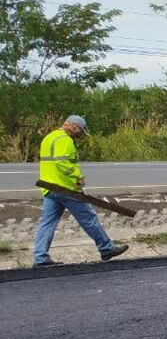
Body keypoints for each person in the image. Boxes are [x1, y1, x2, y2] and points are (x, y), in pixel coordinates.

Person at [33, 114, 129, 268]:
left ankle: (40, 257)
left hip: (50, 188)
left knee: (47, 223)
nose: (79, 134)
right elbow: (61, 162)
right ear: (72, 126)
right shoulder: (64, 140)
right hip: (66, 188)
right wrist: (78, 176)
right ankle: (106, 249)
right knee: (89, 218)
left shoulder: (49, 137)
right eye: (79, 130)